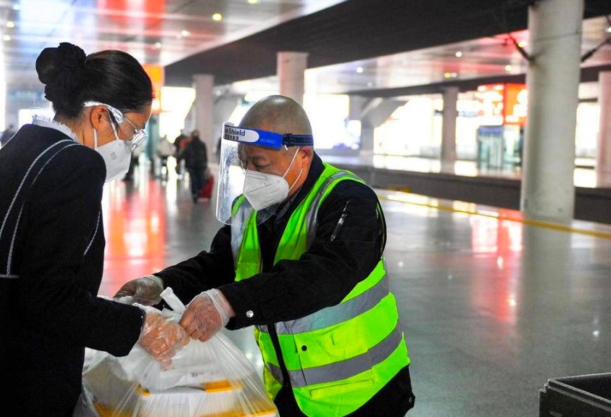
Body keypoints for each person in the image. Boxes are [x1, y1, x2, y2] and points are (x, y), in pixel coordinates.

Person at [0, 42, 188, 417]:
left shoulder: (20, 148)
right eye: (134, 129)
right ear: (101, 116)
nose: (131, 143)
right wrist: (139, 325)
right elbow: (49, 297)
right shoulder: (76, 165)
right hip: (22, 381)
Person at [116, 95, 415, 417]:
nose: (251, 174)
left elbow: (328, 274)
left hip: (365, 392)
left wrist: (227, 302)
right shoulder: (249, 207)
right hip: (289, 389)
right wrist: (161, 284)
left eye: (260, 164)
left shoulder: (348, 199)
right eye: (245, 163)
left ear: (303, 155)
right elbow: (219, 263)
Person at [180, 129, 208, 203]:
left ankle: (195, 193)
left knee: (194, 180)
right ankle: (196, 192)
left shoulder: (191, 144)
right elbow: (205, 156)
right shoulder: (201, 144)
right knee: (198, 179)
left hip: (192, 165)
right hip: (198, 165)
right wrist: (205, 164)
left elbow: (184, 153)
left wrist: (179, 159)